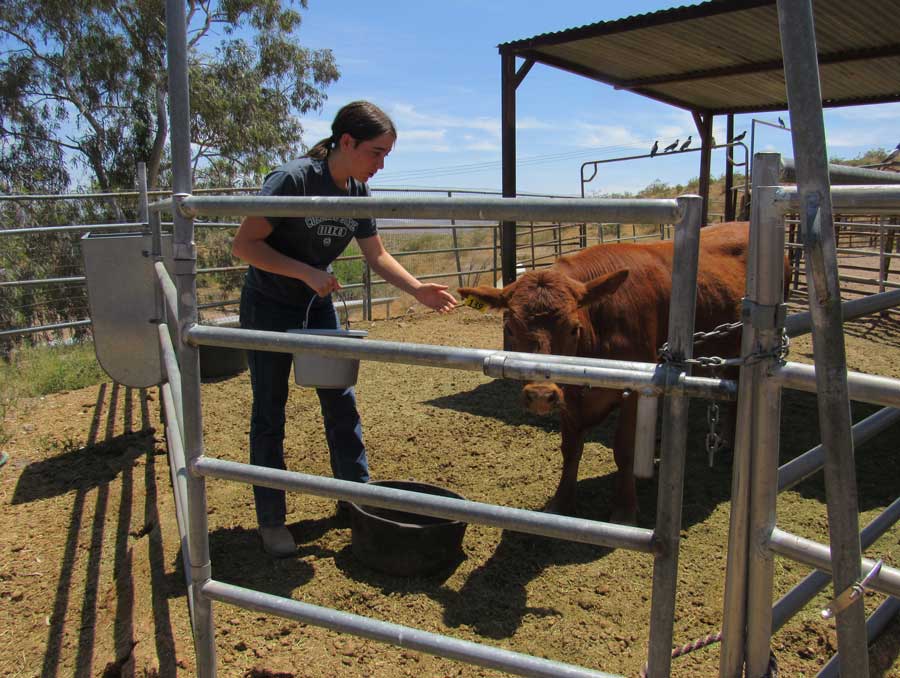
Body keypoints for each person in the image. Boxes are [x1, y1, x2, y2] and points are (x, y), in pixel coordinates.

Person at [232, 101, 457, 557]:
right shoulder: (293, 181)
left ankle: (357, 498)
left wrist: (418, 290)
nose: (380, 165)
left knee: (340, 401)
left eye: (386, 156)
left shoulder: (356, 191)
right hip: (270, 306)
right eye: (376, 153)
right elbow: (244, 244)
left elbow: (376, 256)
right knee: (270, 411)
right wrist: (304, 272)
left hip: (315, 304)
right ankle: (271, 520)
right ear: (347, 142)